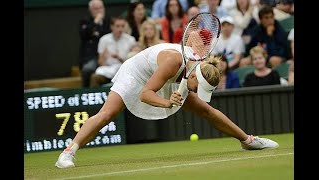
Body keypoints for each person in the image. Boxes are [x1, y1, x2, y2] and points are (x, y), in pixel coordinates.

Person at [55, 32, 279, 168]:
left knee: (205, 110)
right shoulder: (173, 62)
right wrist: (168, 102)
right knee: (107, 114)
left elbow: (192, 37)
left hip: (170, 75)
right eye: (197, 87)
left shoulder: (200, 65)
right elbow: (145, 93)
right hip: (136, 74)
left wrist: (180, 94)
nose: (196, 91)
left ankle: (248, 141)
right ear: (193, 76)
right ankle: (68, 153)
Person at [89, 17, 136, 87]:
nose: (120, 29)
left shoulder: (130, 40)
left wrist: (119, 58)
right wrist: (103, 57)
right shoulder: (104, 40)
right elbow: (100, 63)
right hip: (108, 70)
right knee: (94, 77)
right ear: (112, 27)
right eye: (117, 26)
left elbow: (133, 63)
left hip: (124, 72)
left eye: (122, 26)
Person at [79, 0, 111, 87]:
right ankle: (85, 92)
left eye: (101, 8)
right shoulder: (85, 21)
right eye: (96, 9)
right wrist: (95, 22)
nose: (99, 11)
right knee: (87, 69)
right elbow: (84, 34)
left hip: (109, 54)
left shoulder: (109, 21)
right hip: (92, 56)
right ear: (90, 10)